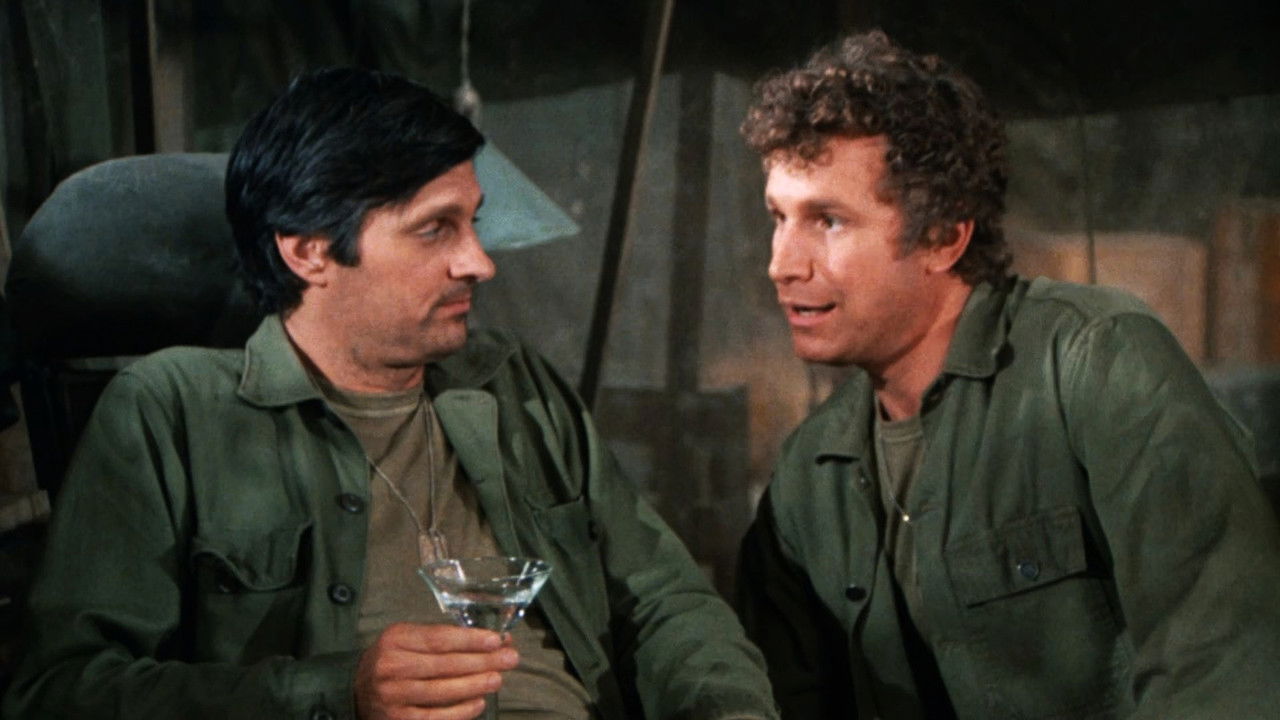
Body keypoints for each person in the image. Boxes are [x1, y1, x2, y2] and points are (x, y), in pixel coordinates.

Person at [2, 67, 777, 720]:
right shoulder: (171, 412)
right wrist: (336, 692)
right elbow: (61, 690)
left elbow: (669, 603)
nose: (480, 262)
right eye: (436, 229)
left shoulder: (516, 387)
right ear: (309, 251)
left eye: (473, 224)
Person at [735, 30, 1280, 720]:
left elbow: (1222, 665)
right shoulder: (808, 476)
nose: (783, 264)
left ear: (944, 237)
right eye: (778, 217)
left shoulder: (1096, 364)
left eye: (829, 221)